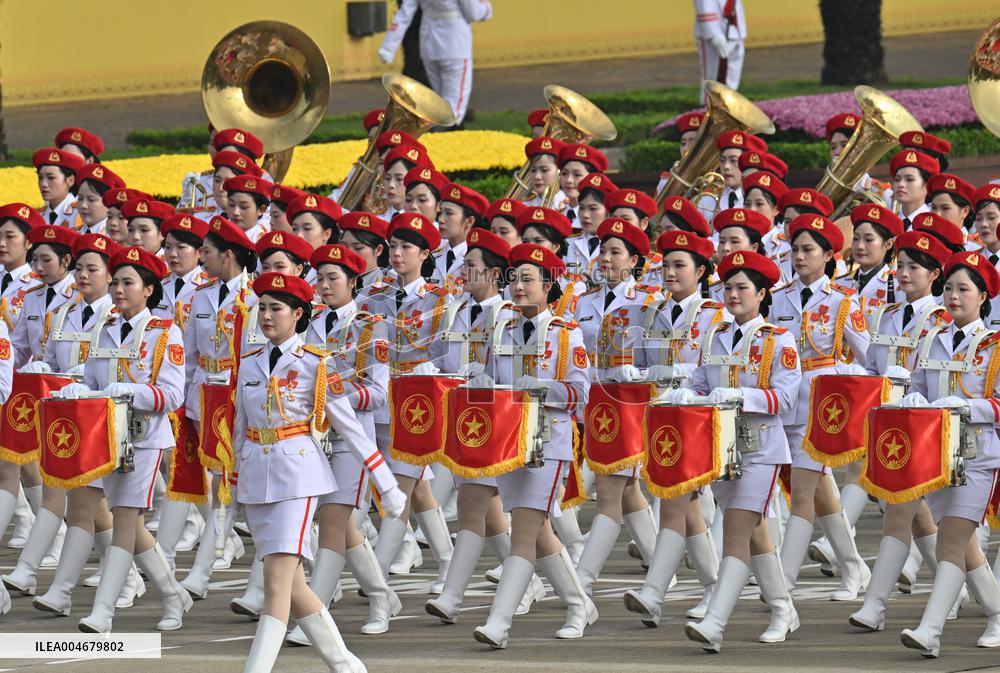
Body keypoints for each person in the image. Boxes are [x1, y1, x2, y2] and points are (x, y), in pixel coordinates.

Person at [234, 271, 404, 673]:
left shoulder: (316, 364)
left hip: (298, 475)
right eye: (262, 308)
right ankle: (345, 664)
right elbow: (241, 426)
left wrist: (387, 485)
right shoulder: (249, 362)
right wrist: (233, 481)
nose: (266, 315)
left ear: (298, 314)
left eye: (276, 308)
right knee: (294, 586)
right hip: (257, 475)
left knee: (276, 582)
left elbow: (351, 428)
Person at [670, 250, 801, 651]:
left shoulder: (779, 340)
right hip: (720, 449)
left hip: (761, 448)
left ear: (762, 294)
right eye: (728, 287)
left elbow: (785, 399)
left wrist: (740, 396)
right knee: (755, 534)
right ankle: (783, 608)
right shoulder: (715, 335)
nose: (733, 294)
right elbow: (700, 381)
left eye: (743, 287)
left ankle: (715, 623)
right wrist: (686, 393)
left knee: (736, 532)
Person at [59, 246, 191, 634]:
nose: (118, 289)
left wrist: (133, 391)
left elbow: (173, 394)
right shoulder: (105, 328)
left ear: (148, 289)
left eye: (127, 283)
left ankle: (103, 612)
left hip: (144, 439)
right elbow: (94, 381)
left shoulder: (165, 332)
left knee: (123, 521)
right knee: (130, 523)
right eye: (115, 282)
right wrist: (79, 389)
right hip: (107, 438)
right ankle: (173, 595)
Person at [472, 243, 594, 648]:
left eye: (528, 279)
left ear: (548, 286)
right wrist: (482, 381)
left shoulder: (566, 333)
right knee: (538, 531)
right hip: (509, 443)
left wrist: (546, 388)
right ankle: (579, 605)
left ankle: (498, 623)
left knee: (523, 533)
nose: (519, 287)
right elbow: (495, 382)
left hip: (548, 444)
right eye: (514, 279)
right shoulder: (501, 329)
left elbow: (581, 393)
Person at [424, 228, 546, 622]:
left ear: (494, 273)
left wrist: (484, 381)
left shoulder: (509, 315)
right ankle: (535, 583)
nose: (463, 271)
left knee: (477, 507)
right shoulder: (455, 311)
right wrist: (430, 371)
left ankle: (452, 596)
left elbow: (516, 373)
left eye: (472, 266)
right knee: (492, 515)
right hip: (463, 422)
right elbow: (441, 357)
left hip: (499, 425)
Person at [285, 244, 400, 643]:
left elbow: (378, 393)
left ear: (353, 282)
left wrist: (333, 399)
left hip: (352, 438)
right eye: (319, 278)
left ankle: (314, 618)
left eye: (333, 278)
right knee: (339, 525)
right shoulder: (308, 320)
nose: (324, 285)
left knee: (334, 522)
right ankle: (382, 597)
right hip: (313, 437)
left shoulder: (371, 326)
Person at [895, 251, 1000, 657]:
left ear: (983, 297)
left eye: (964, 289)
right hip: (936, 454)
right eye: (950, 288)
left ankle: (930, 630)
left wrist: (966, 407)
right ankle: (997, 614)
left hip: (978, 454)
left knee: (950, 542)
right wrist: (912, 399)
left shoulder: (995, 346)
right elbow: (920, 387)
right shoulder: (932, 338)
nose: (953, 296)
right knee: (963, 546)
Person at [847, 229, 951, 632]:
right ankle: (961, 593)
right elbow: (873, 367)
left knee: (908, 515)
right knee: (914, 515)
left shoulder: (942, 319)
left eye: (915, 267)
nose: (905, 273)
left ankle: (875, 605)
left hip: (926, 427)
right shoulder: (886, 315)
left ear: (935, 274)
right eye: (902, 266)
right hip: (891, 427)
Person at [27, 234, 136, 616]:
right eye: (79, 268)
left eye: (94, 269)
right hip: (72, 420)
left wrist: (83, 380)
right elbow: (53, 359)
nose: (83, 275)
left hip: (113, 422)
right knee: (86, 506)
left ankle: (150, 586)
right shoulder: (63, 312)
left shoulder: (118, 318)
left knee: (113, 514)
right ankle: (71, 589)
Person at [768, 215, 871, 600]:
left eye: (808, 250)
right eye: (795, 249)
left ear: (829, 255)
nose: (799, 256)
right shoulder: (778, 297)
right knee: (821, 494)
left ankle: (783, 582)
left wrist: (846, 381)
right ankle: (854, 566)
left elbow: (867, 357)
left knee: (802, 492)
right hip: (784, 402)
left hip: (822, 408)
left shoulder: (843, 301)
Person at [625, 230, 722, 626]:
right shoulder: (651, 313)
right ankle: (714, 588)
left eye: (680, 265)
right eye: (665, 265)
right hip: (660, 419)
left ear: (700, 271)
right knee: (687, 507)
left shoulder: (716, 315)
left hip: (696, 418)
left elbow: (717, 368)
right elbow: (641, 361)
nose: (670, 272)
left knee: (674, 503)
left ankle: (654, 592)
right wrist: (637, 373)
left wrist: (677, 373)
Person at [363, 213, 454, 590]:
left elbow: (448, 355)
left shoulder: (439, 300)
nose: (397, 254)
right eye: (394, 246)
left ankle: (378, 576)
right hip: (381, 400)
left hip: (418, 404)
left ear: (425, 254)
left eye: (406, 247)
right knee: (417, 488)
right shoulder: (374, 296)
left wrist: (428, 370)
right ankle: (448, 560)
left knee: (400, 486)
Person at [571, 218, 660, 600]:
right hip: (594, 403)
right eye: (602, 251)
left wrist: (637, 373)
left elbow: (660, 359)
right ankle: (662, 569)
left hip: (630, 405)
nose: (605, 258)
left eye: (615, 252)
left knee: (609, 494)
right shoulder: (584, 301)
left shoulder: (648, 301)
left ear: (634, 261)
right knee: (627, 491)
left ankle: (581, 581)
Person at [180, 216, 260, 600]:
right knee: (219, 479)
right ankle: (211, 559)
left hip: (237, 393)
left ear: (227, 256)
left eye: (208, 252)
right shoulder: (200, 295)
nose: (202, 258)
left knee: (232, 481)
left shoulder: (254, 297)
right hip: (204, 393)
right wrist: (183, 400)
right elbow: (189, 354)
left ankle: (206, 567)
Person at [379, 0, 493, 126]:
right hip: (455, 44)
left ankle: (438, 132)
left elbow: (404, 15)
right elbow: (474, 13)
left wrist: (388, 49)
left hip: (429, 45)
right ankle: (449, 133)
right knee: (454, 111)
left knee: (441, 104)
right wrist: (486, 8)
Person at [432, 183, 489, 294]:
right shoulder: (433, 255)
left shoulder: (480, 262)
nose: (441, 219)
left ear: (469, 221)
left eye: (449, 213)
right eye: (440, 213)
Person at [566, 173, 618, 277]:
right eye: (581, 208)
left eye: (593, 208)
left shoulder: (619, 246)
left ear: (608, 212)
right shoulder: (567, 242)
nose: (585, 215)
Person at [693, 0, 746, 101]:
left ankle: (729, 102)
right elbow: (703, 4)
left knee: (732, 74)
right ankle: (708, 105)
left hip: (734, 28)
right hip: (714, 31)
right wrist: (713, 34)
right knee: (713, 74)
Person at [556, 144, 609, 227]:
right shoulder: (557, 216)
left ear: (593, 178)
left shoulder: (600, 220)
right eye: (564, 173)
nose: (568, 180)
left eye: (577, 175)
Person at [33, 148, 85, 228]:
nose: (43, 184)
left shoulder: (82, 214)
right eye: (40, 178)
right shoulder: (37, 216)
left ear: (70, 180)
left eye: (51, 178)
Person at [889, 149, 938, 230]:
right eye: (897, 179)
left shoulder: (936, 226)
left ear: (926, 186)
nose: (901, 184)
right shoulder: (888, 224)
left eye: (909, 179)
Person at [73, 165, 125, 236]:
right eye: (80, 198)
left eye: (91, 200)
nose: (83, 205)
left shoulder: (116, 238)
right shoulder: (74, 234)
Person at [224, 175, 273, 244]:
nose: (235, 212)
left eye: (243, 207)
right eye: (231, 205)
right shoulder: (218, 232)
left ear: (261, 210)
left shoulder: (263, 243)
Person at [522, 137, 566, 207]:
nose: (537, 176)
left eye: (544, 170)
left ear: (561, 172)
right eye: (533, 170)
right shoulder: (524, 207)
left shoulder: (570, 209)